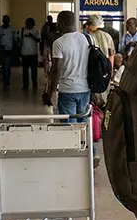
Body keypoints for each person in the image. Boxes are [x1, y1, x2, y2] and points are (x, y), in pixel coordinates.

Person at [46, 11, 100, 167]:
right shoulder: (87, 38)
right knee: (83, 123)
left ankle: (73, 158)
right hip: (85, 89)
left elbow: (57, 69)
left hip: (68, 90)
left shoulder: (59, 42)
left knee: (69, 125)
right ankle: (92, 153)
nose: (56, 24)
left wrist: (51, 92)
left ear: (63, 23)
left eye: (58, 21)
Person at [0, 15, 19, 90]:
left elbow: (15, 39)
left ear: (9, 21)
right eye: (4, 21)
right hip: (2, 50)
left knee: (7, 67)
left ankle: (7, 83)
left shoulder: (12, 29)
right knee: (4, 67)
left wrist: (17, 49)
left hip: (9, 50)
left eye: (6, 21)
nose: (5, 22)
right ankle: (5, 81)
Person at [19, 17, 41, 91]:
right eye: (27, 24)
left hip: (33, 54)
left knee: (34, 72)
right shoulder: (22, 30)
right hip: (24, 54)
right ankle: (25, 85)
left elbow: (39, 40)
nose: (28, 26)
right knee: (25, 72)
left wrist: (32, 36)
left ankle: (35, 84)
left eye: (30, 24)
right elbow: (20, 41)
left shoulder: (36, 31)